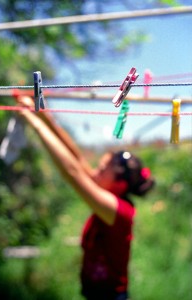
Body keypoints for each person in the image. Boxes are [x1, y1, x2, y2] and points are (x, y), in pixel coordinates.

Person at [15, 96, 155, 300]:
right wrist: (44, 116)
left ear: (119, 184)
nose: (94, 171)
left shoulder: (118, 210)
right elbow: (76, 157)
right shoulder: (109, 194)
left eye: (101, 169)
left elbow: (73, 172)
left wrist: (34, 122)